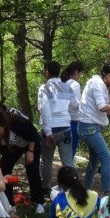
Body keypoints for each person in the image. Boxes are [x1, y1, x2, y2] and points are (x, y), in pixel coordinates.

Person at [77, 62, 110, 194]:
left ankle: (84, 191)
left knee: (94, 160)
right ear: (108, 75)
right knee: (106, 158)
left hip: (90, 126)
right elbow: (102, 107)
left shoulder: (100, 85)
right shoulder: (97, 84)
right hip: (89, 127)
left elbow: (101, 110)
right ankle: (107, 194)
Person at [0, 104, 46, 213]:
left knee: (32, 170)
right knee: (4, 169)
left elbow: (33, 134)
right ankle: (9, 203)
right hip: (15, 147)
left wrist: (30, 152)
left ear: (4, 125)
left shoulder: (17, 121)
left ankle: (38, 201)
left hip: (31, 143)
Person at [39, 60, 77, 193]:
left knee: (47, 161)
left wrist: (48, 132)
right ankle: (72, 189)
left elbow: (44, 110)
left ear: (47, 73)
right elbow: (75, 105)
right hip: (65, 128)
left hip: (51, 129)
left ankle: (45, 188)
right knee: (68, 162)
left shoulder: (44, 88)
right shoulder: (67, 87)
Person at [60, 60, 85, 159]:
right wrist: (83, 102)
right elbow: (75, 104)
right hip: (73, 122)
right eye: (80, 73)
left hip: (62, 121)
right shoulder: (75, 84)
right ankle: (68, 168)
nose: (81, 75)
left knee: (64, 151)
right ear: (76, 72)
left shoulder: (63, 83)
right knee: (70, 152)